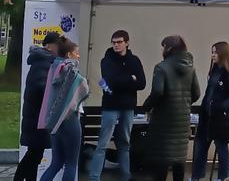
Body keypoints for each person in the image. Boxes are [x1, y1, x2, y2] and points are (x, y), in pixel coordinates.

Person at [89, 29, 146, 181]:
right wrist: (130, 79)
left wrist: (122, 80)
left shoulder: (134, 60)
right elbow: (110, 81)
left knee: (125, 142)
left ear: (127, 43)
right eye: (114, 43)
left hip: (127, 106)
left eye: (119, 42)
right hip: (110, 106)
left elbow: (142, 83)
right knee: (103, 142)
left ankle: (126, 176)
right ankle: (94, 177)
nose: (116, 45)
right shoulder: (106, 60)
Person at [144, 35, 201, 181]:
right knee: (179, 163)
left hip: (163, 122)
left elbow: (157, 92)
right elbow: (197, 94)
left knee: (161, 163)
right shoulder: (191, 68)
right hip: (182, 122)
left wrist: (146, 106)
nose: (162, 50)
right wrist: (184, 104)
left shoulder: (161, 67)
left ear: (169, 48)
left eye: (163, 46)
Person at [191, 42, 229, 181]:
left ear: (223, 54)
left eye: (215, 52)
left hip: (221, 118)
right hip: (207, 117)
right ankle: (196, 176)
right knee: (200, 147)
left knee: (221, 147)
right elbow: (210, 93)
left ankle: (224, 176)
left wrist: (219, 107)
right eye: (212, 52)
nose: (212, 55)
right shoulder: (215, 70)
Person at [39, 38, 91, 181]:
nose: (78, 56)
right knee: (71, 164)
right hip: (70, 119)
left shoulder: (54, 67)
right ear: (69, 54)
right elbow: (84, 88)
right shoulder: (70, 71)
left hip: (54, 121)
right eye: (76, 53)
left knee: (55, 163)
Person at [16, 32, 61, 181]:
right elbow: (42, 88)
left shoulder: (45, 61)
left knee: (35, 154)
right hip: (36, 117)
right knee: (34, 154)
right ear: (49, 46)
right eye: (57, 44)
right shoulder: (43, 63)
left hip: (37, 116)